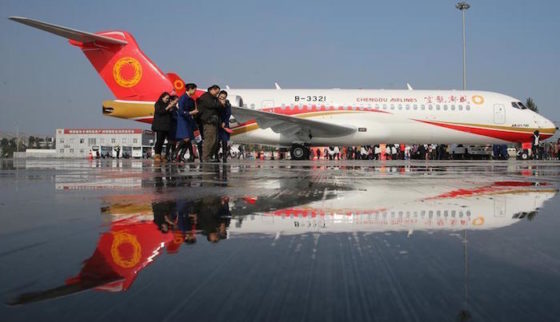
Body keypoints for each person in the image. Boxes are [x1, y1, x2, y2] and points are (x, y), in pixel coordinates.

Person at [174, 83, 198, 162]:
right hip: (183, 120)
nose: (195, 91)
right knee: (186, 138)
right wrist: (191, 113)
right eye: (194, 89)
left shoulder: (191, 99)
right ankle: (175, 153)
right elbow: (181, 112)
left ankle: (183, 155)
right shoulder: (183, 98)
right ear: (190, 89)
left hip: (189, 120)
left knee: (189, 139)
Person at [151, 92, 178, 162]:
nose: (167, 100)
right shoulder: (158, 104)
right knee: (159, 141)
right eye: (166, 98)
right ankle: (157, 154)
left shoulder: (168, 104)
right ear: (162, 97)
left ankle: (164, 155)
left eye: (168, 98)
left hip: (166, 126)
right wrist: (168, 107)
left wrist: (172, 108)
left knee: (164, 141)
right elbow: (160, 112)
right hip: (160, 125)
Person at [197, 85, 221, 161]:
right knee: (209, 139)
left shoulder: (213, 98)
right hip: (208, 121)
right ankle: (206, 157)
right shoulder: (206, 97)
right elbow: (213, 105)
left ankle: (209, 156)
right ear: (212, 90)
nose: (217, 94)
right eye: (217, 92)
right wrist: (220, 103)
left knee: (214, 140)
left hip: (213, 121)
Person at [216, 90, 232, 162]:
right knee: (217, 141)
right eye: (221, 97)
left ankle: (225, 155)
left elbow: (228, 114)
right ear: (219, 96)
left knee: (224, 140)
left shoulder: (227, 104)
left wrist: (224, 123)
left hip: (225, 124)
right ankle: (216, 155)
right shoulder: (215, 102)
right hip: (217, 123)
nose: (222, 98)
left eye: (224, 97)